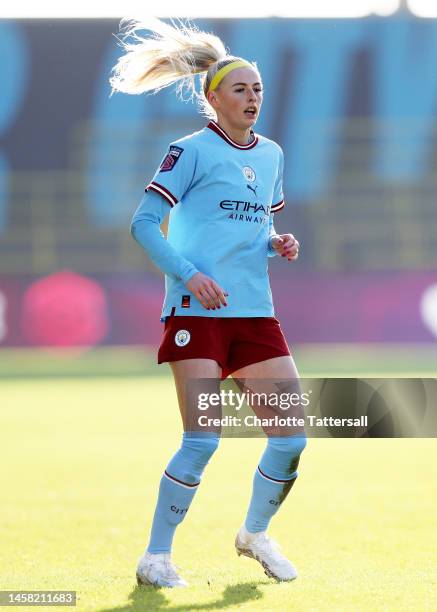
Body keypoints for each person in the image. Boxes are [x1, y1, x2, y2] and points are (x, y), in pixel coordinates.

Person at [110, 17, 307, 588]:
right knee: (202, 438)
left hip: (254, 314)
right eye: (241, 89)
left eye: (259, 89)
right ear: (212, 97)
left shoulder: (270, 155)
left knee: (291, 437)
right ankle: (157, 558)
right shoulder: (189, 150)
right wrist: (190, 275)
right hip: (197, 313)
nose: (253, 98)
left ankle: (255, 534)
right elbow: (144, 224)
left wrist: (277, 242)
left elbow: (250, 230)